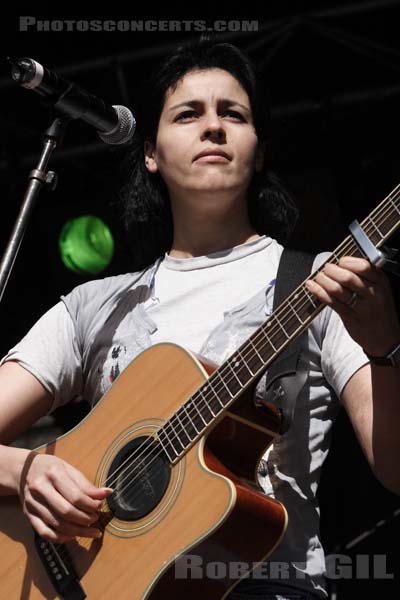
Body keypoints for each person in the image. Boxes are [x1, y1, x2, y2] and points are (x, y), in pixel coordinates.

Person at [1, 38, 400, 600]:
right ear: (150, 152)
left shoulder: (321, 286)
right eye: (188, 114)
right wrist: (24, 470)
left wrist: (385, 349)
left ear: (258, 149)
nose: (213, 127)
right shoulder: (96, 306)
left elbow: (396, 471)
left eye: (232, 114)